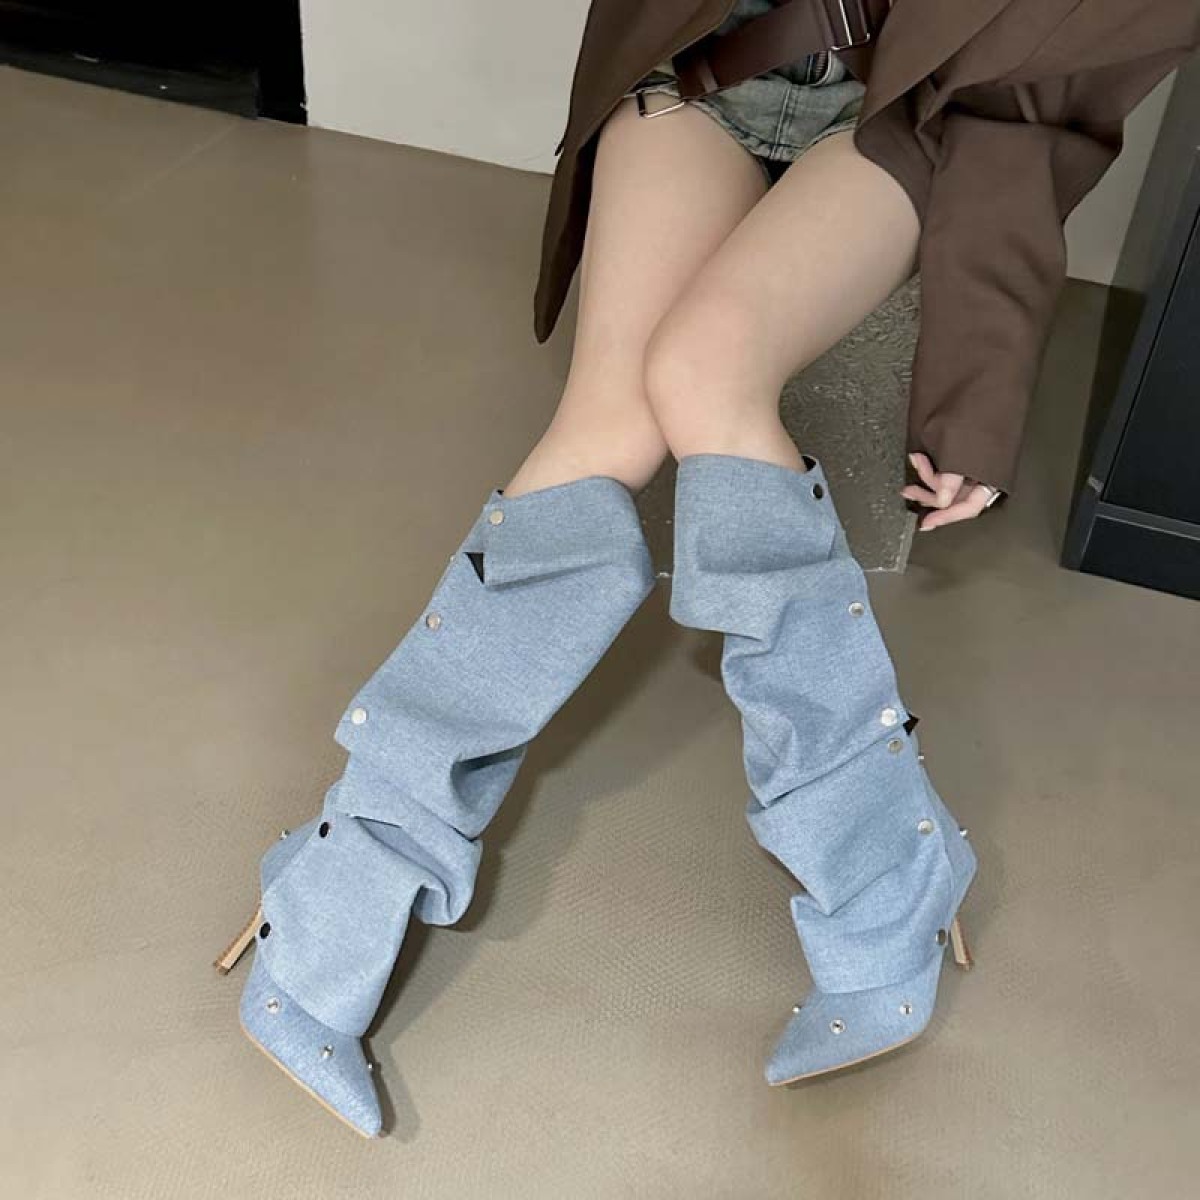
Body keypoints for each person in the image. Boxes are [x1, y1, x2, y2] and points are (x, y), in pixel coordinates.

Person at [215, 0, 1197, 1138]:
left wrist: (982, 381)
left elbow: (1049, 84)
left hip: (907, 115)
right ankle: (344, 878)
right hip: (701, 65)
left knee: (705, 374)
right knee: (606, 430)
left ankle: (887, 871)